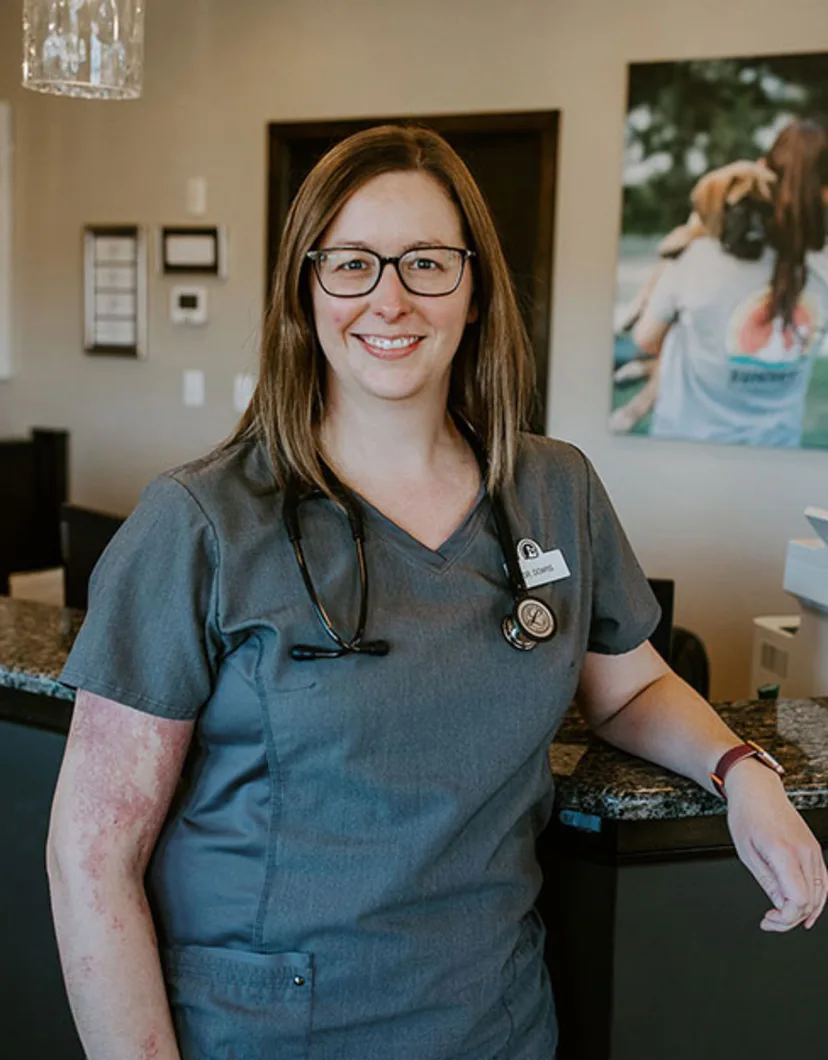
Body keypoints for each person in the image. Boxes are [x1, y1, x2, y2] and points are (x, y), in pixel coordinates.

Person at [47, 125, 826, 1060]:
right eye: (352, 264)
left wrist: (741, 773)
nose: (390, 297)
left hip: (490, 1022)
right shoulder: (200, 522)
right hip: (266, 1032)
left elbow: (631, 685)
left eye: (426, 262)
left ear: (474, 289)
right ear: (306, 287)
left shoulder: (554, 490)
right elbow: (91, 858)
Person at [632, 118, 828, 446]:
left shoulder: (696, 256)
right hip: (778, 452)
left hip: (681, 453)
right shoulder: (823, 269)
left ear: (761, 171)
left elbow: (646, 340)